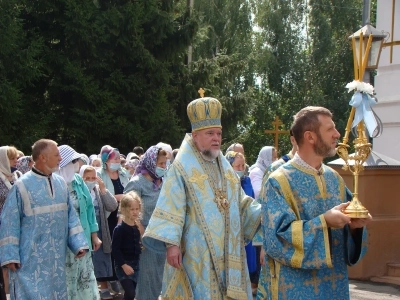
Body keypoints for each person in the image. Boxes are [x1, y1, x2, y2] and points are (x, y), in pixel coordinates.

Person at [142, 96, 261, 299]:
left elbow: (239, 202)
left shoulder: (225, 168)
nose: (216, 138)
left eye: (219, 133)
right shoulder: (181, 168)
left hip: (227, 249)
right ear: (195, 136)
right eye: (210, 133)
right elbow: (171, 206)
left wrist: (262, 212)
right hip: (195, 252)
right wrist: (172, 246)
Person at [258, 106, 371, 300]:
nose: (337, 134)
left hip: (335, 286)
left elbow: (348, 232)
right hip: (296, 287)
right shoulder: (279, 181)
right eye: (330, 129)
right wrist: (324, 222)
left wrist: (355, 228)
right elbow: (277, 240)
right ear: (310, 137)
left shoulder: (335, 178)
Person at [0, 139, 89, 299]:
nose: (60, 159)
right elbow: (9, 222)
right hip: (29, 260)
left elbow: (71, 216)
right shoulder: (22, 186)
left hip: (56, 260)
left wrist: (78, 243)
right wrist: (9, 255)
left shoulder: (61, 184)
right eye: (57, 155)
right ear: (42, 157)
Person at [123, 146, 167, 300]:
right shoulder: (137, 183)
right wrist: (141, 232)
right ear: (150, 163)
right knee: (146, 281)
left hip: (163, 237)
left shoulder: (162, 182)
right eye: (160, 164)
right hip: (144, 239)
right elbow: (127, 211)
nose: (163, 167)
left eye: (164, 164)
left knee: (160, 279)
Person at [56, 145, 100, 300]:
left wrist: (94, 235)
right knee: (68, 283)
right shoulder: (54, 182)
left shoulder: (78, 181)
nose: (76, 165)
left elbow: (89, 208)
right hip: (64, 245)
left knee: (85, 281)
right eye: (73, 161)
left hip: (84, 240)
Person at [80, 165, 118, 300]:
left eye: (92, 178)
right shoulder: (78, 192)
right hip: (84, 231)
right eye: (87, 178)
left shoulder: (97, 191)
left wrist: (103, 189)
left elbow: (112, 206)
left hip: (100, 229)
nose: (90, 181)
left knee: (101, 258)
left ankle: (104, 287)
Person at [97, 145, 131, 293]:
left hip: (123, 215)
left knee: (121, 248)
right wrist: (116, 198)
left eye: (118, 157)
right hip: (107, 217)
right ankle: (104, 284)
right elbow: (100, 195)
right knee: (107, 250)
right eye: (114, 158)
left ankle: (117, 279)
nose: (118, 160)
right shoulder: (99, 174)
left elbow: (130, 191)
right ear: (106, 160)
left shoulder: (124, 174)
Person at [225, 151, 257, 293]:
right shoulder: (224, 183)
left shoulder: (247, 180)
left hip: (247, 227)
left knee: (249, 261)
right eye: (237, 166)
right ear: (229, 165)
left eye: (242, 165)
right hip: (230, 231)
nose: (240, 169)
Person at [112, 191, 144, 300]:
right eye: (132, 209)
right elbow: (115, 250)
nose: (135, 212)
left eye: (137, 209)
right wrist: (123, 265)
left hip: (135, 264)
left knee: (132, 293)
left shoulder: (136, 226)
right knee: (130, 292)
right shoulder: (120, 229)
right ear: (124, 209)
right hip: (123, 265)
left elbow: (138, 241)